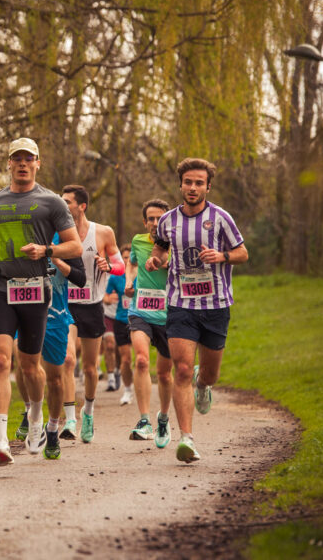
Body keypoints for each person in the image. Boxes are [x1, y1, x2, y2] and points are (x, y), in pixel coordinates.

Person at [0, 137, 82, 466]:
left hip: (35, 289)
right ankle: (0, 443)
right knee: (1, 361)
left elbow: (76, 246)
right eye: (17, 159)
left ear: (38, 163)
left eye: (29, 158)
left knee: (30, 367)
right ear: (9, 164)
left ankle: (37, 418)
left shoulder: (52, 202)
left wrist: (47, 251)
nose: (23, 164)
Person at [146, 159, 248, 463]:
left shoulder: (220, 218)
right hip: (180, 304)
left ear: (208, 187)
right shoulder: (167, 221)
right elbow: (160, 248)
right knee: (181, 369)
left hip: (216, 305)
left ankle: (204, 385)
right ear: (180, 185)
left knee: (209, 372)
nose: (192, 188)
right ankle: (186, 439)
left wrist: (222, 255)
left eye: (199, 183)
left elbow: (243, 253)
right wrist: (156, 260)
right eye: (188, 182)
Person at [12, 232, 86, 460]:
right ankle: (29, 412)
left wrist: (55, 258)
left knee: (55, 378)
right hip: (24, 310)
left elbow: (81, 279)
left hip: (55, 318)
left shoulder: (66, 240)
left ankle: (53, 428)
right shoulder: (20, 233)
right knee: (23, 365)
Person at [60, 185, 124, 443]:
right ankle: (70, 419)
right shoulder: (59, 233)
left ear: (82, 206)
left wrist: (108, 265)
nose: (63, 206)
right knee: (67, 360)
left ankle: (87, 412)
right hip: (67, 305)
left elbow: (120, 266)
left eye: (67, 202)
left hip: (93, 305)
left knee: (89, 367)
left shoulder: (104, 232)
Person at [124, 198, 174, 446]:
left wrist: (165, 262)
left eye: (160, 218)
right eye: (151, 219)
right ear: (145, 222)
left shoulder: (177, 243)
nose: (155, 223)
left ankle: (163, 418)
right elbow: (131, 264)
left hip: (169, 315)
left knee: (164, 375)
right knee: (142, 360)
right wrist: (129, 282)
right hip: (140, 309)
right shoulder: (137, 240)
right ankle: (144, 420)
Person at [102, 244, 133, 394]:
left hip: (130, 317)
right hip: (110, 315)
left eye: (130, 257)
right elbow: (104, 295)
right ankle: (111, 378)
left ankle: (121, 371)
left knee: (122, 353)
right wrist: (108, 299)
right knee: (109, 345)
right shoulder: (113, 275)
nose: (127, 260)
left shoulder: (140, 274)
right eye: (124, 258)